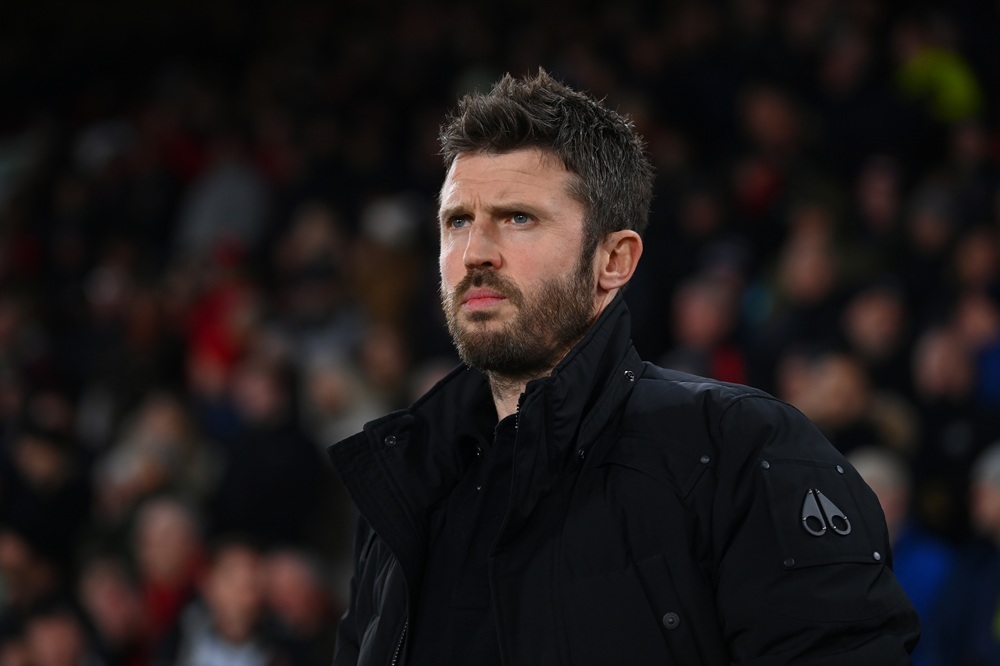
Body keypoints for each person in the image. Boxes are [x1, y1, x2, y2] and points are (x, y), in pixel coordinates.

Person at [327, 70, 920, 665]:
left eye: (518, 218)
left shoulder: (743, 450)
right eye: (457, 221)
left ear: (614, 259)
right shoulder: (406, 484)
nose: (475, 251)